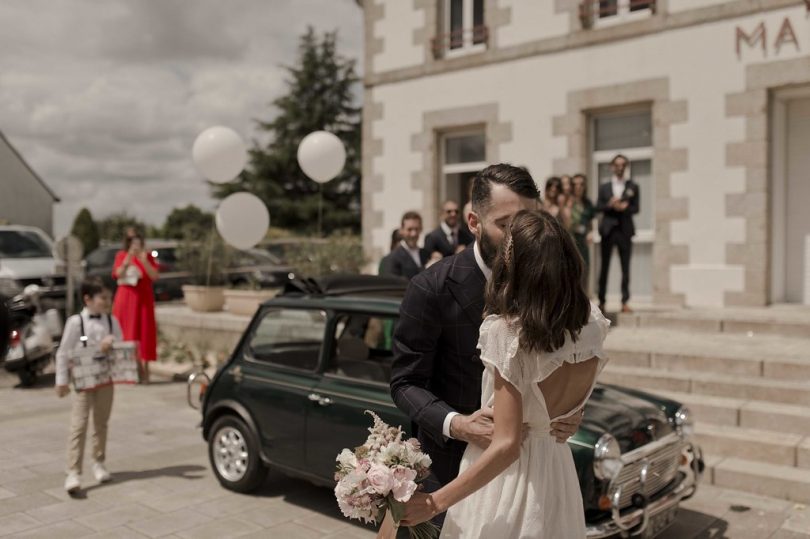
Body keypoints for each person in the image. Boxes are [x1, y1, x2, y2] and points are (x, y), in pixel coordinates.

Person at [390, 164, 582, 528]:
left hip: (533, 482)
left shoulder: (553, 287)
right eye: (507, 226)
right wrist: (458, 424)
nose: (522, 238)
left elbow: (563, 361)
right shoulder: (430, 288)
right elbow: (404, 384)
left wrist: (566, 409)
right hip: (449, 472)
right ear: (473, 223)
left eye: (530, 221)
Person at [55, 277, 124, 493]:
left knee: (101, 423)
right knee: (79, 425)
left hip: (105, 380)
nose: (107, 301)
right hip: (83, 382)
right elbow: (63, 352)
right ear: (88, 299)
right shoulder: (76, 322)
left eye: (109, 297)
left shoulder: (112, 321)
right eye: (103, 297)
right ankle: (73, 471)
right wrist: (62, 381)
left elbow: (121, 349)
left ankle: (99, 462)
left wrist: (113, 346)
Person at [112, 233, 158, 383]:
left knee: (145, 331)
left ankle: (146, 368)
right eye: (133, 244)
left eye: (138, 243)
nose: (136, 246)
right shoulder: (122, 255)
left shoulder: (147, 256)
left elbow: (154, 276)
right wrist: (127, 260)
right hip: (127, 297)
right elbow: (117, 274)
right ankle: (132, 369)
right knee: (128, 331)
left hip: (144, 297)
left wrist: (144, 261)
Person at [596, 154, 639, 314]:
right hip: (608, 231)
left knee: (625, 267)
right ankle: (601, 301)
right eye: (617, 165)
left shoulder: (633, 186)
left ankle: (625, 301)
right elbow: (598, 207)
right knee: (604, 268)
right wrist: (610, 205)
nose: (620, 167)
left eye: (623, 165)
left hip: (625, 230)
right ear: (612, 167)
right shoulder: (604, 187)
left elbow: (637, 208)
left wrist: (625, 208)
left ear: (626, 167)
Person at [380, 211, 430, 281]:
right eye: (409, 229)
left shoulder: (426, 254)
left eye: (416, 229)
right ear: (402, 230)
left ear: (421, 229)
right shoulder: (391, 258)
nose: (413, 234)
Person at [569, 173, 596, 286]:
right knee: (571, 271)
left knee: (584, 270)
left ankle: (584, 300)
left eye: (581, 184)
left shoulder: (588, 203)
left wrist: (591, 232)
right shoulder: (568, 202)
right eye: (575, 184)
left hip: (583, 241)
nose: (578, 187)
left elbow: (592, 222)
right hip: (570, 240)